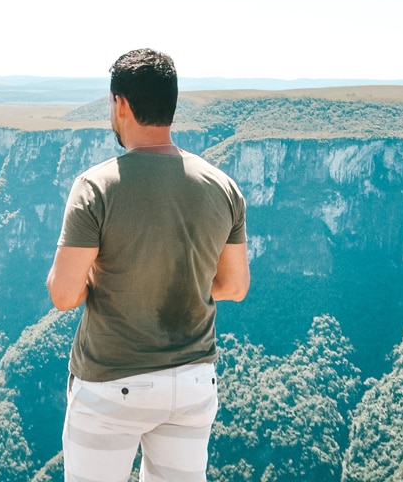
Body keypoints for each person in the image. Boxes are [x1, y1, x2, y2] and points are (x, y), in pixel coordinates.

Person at [46, 48, 250, 482]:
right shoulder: (223, 187)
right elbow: (234, 286)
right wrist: (177, 280)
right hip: (193, 383)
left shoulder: (96, 187)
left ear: (121, 104)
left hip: (112, 385)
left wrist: (114, 282)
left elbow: (63, 295)